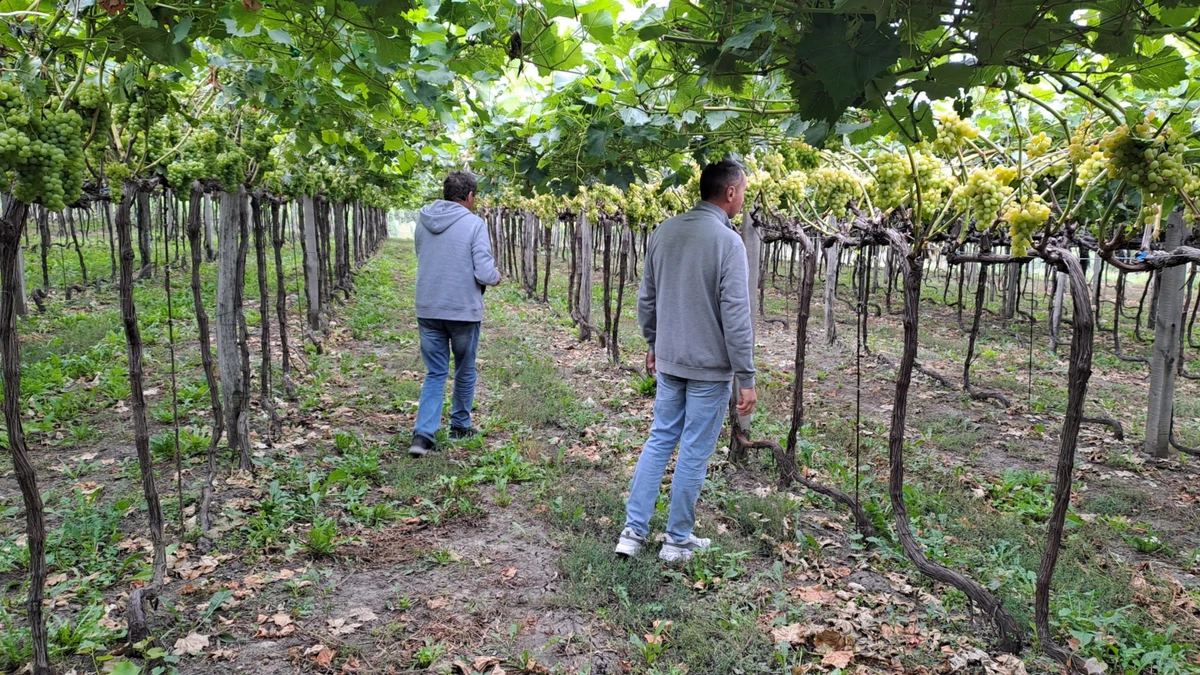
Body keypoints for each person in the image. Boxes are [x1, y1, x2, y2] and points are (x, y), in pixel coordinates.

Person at [615, 159, 758, 563]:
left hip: (671, 360)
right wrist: (745, 375)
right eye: (742, 191)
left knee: (660, 439)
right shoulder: (728, 242)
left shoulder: (664, 230)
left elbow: (647, 297)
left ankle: (632, 533)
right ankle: (677, 540)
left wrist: (653, 342)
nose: (743, 198)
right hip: (709, 370)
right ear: (729, 192)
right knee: (694, 450)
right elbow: (736, 315)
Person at [408, 171, 501, 458]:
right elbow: (484, 272)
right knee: (464, 368)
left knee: (436, 372)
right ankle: (460, 425)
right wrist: (496, 277)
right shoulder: (474, 224)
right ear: (470, 196)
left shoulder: (423, 222)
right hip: (462, 310)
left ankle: (423, 436)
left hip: (428, 307)